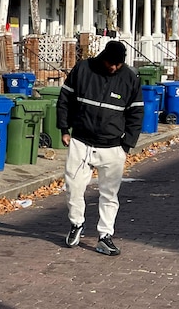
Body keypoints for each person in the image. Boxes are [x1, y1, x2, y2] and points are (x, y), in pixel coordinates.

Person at [56, 40, 144, 256]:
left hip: (112, 147)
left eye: (118, 64)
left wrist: (127, 144)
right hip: (81, 142)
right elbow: (65, 99)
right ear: (103, 57)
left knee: (109, 194)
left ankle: (105, 236)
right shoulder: (83, 69)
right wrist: (64, 130)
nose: (113, 67)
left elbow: (136, 113)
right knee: (74, 188)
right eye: (110, 63)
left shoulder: (130, 79)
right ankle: (76, 224)